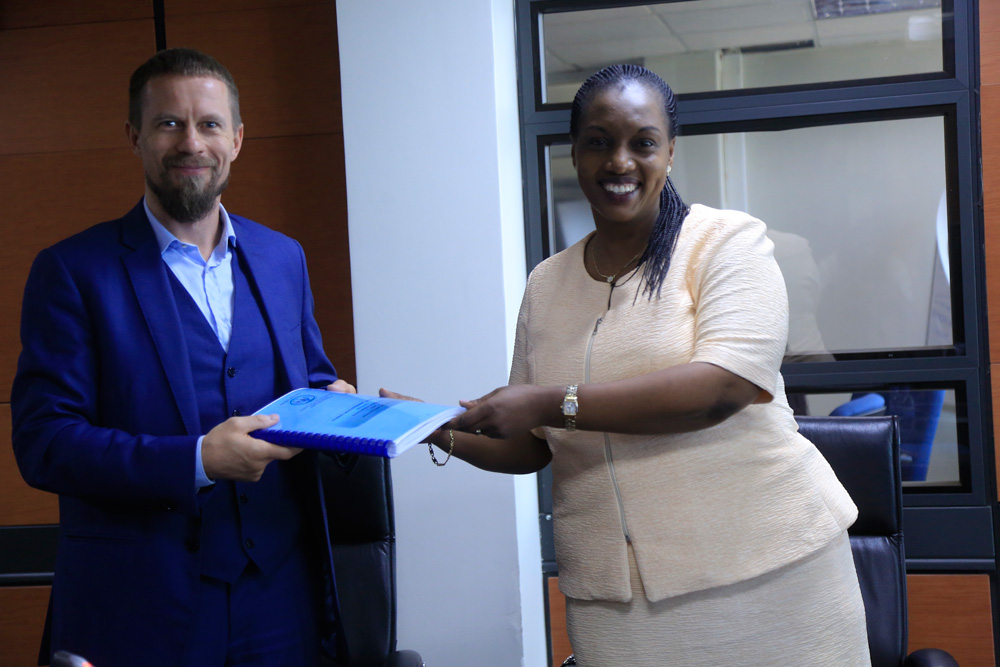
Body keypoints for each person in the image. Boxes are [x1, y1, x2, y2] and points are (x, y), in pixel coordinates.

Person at [409, 64, 871, 664]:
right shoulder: (546, 285)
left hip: (769, 577)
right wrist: (432, 428)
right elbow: (535, 445)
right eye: (598, 141)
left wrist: (552, 402)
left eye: (642, 143)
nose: (619, 161)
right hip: (619, 607)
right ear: (574, 152)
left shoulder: (726, 243)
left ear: (670, 153)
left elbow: (721, 388)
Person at [11, 48, 352, 667]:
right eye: (169, 123)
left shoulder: (283, 258)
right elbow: (44, 443)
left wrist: (334, 404)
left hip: (282, 598)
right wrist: (195, 460)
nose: (191, 142)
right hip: (140, 604)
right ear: (134, 137)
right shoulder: (72, 271)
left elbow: (311, 379)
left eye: (210, 124)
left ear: (238, 139)